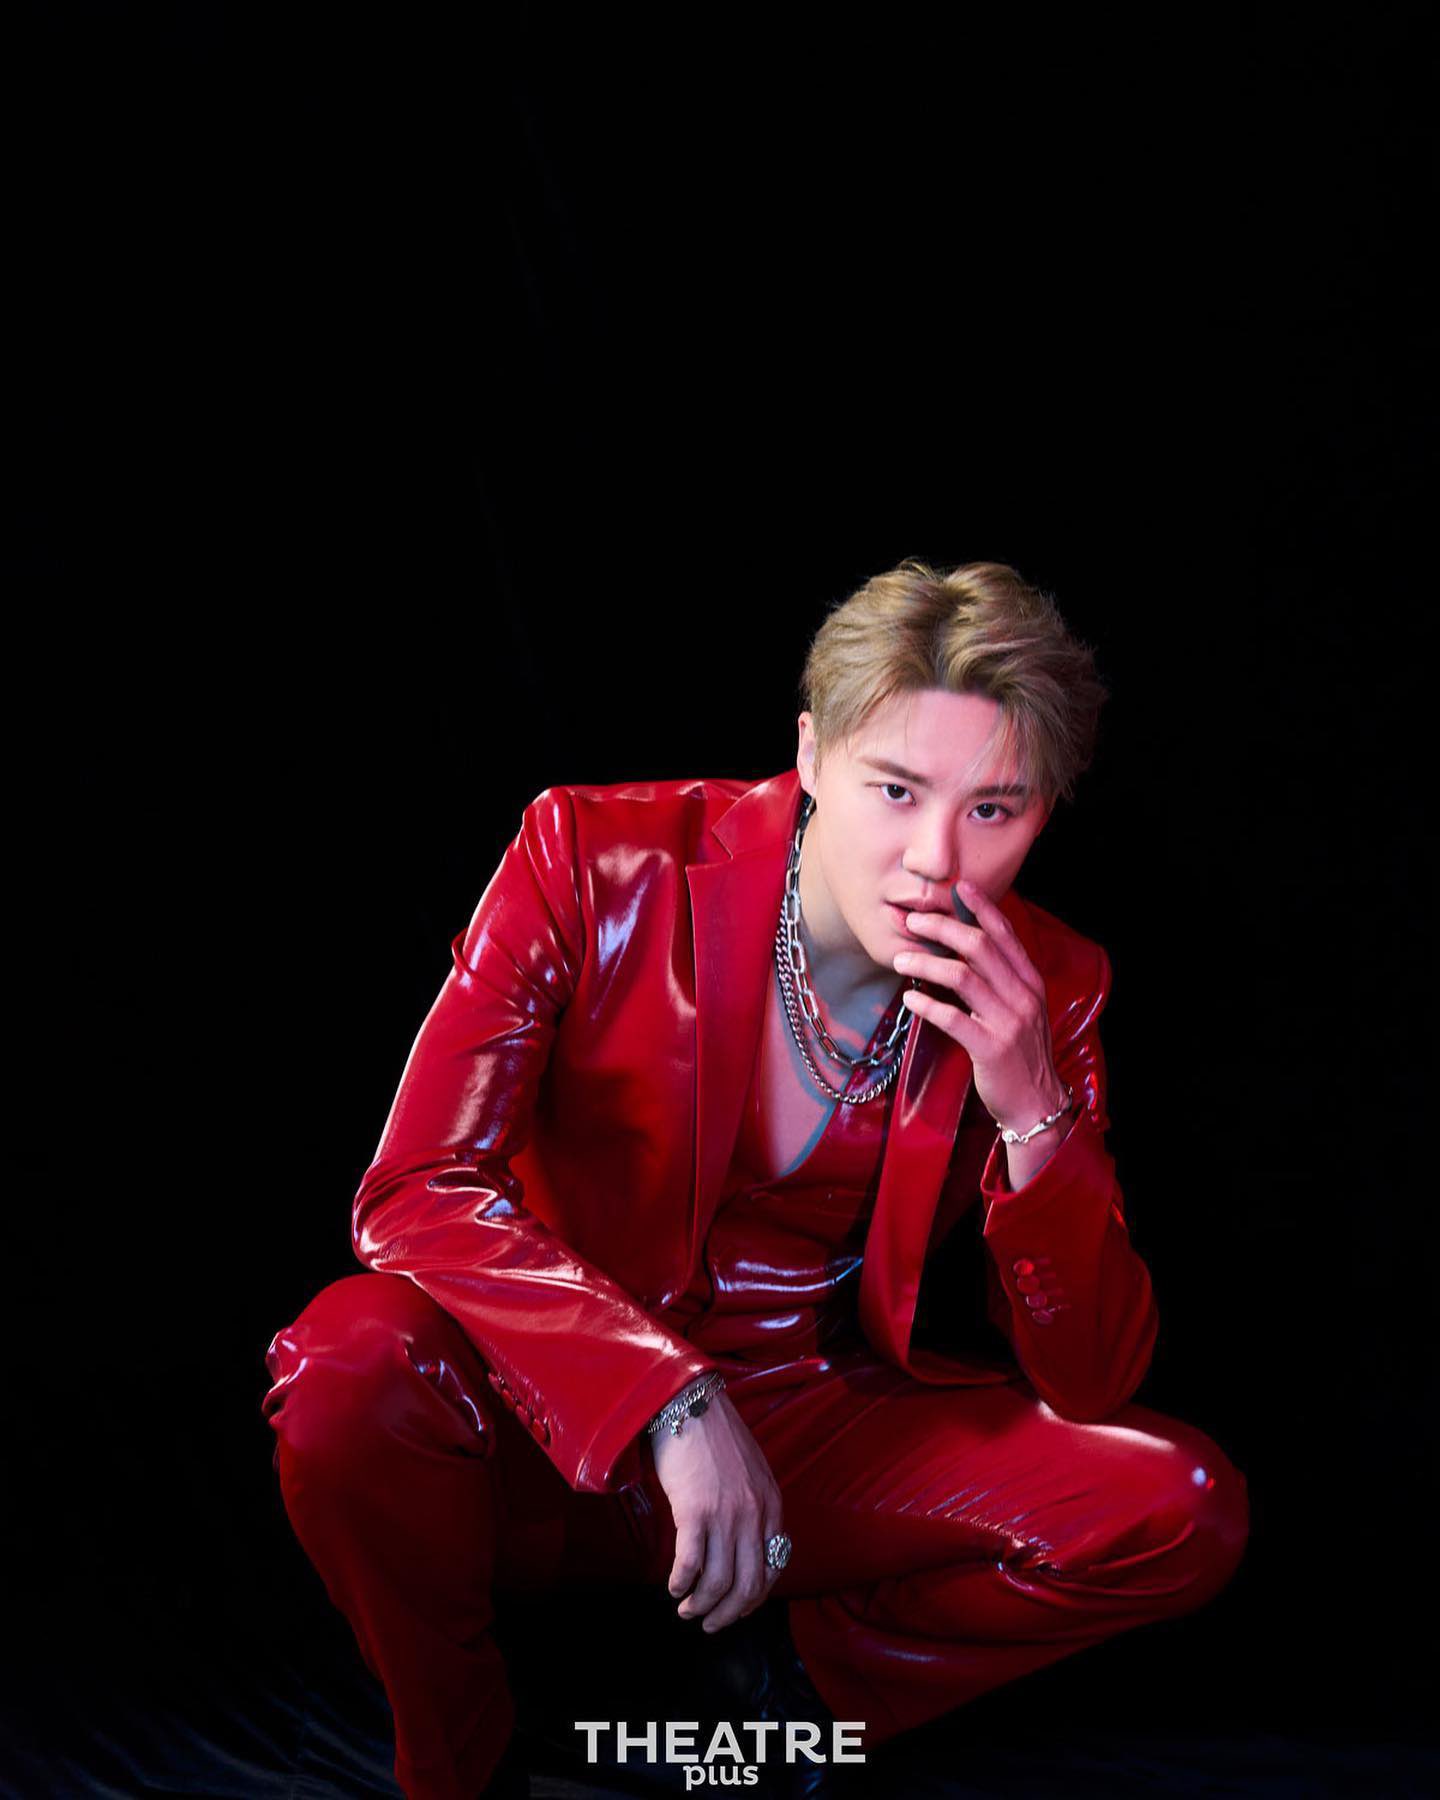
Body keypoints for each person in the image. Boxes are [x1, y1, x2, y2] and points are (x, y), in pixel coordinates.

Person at [261, 559, 1250, 1799]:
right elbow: (414, 1186)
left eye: (995, 809)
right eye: (897, 790)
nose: (936, 859)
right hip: (539, 1413)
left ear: (1044, 814)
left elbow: (1091, 1376)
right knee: (349, 1366)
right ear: (814, 753)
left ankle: (767, 1707)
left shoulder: (1050, 984)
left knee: (1181, 1506)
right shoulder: (590, 858)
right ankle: (462, 1754)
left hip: (804, 1428)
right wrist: (662, 1394)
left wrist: (1032, 1109)